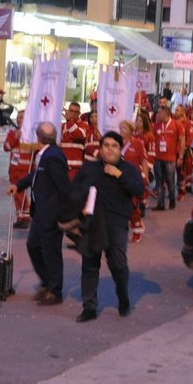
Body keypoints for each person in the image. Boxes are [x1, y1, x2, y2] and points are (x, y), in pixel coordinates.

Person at [71, 130, 144, 321]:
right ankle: (89, 307)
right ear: (100, 148)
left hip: (116, 224)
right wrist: (77, 217)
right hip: (92, 223)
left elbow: (139, 190)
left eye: (114, 146)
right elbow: (75, 190)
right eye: (106, 145)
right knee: (89, 266)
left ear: (121, 149)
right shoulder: (89, 168)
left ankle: (123, 296)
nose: (110, 149)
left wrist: (119, 175)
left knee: (118, 265)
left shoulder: (128, 169)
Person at [10, 121, 70, 306]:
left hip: (51, 213)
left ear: (39, 138)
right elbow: (35, 176)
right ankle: (46, 281)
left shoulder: (53, 156)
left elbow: (63, 187)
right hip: (40, 212)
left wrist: (62, 214)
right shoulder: (44, 155)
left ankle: (55, 290)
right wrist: (18, 185)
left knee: (51, 252)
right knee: (33, 246)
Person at [2, 111, 35, 229]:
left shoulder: (32, 134)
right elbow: (6, 147)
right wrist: (15, 136)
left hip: (26, 169)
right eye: (18, 117)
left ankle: (25, 217)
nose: (19, 120)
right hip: (14, 168)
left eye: (21, 117)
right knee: (16, 195)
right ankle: (21, 217)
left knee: (21, 194)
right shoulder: (12, 133)